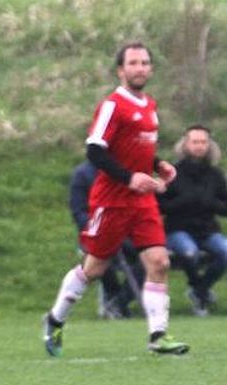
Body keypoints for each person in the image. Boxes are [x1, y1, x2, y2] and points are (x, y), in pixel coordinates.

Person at [42, 41, 189, 357]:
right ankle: (55, 319)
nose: (140, 68)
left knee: (160, 261)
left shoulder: (149, 105)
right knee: (94, 268)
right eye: (133, 63)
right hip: (111, 201)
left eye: (145, 63)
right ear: (121, 70)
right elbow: (95, 150)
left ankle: (158, 335)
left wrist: (158, 164)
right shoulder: (113, 105)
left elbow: (135, 149)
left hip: (142, 201)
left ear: (151, 69)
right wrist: (129, 178)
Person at [157, 124, 227, 316]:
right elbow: (159, 205)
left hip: (208, 231)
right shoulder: (172, 173)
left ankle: (199, 291)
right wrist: (182, 202)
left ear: (209, 145)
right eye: (195, 142)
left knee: (225, 252)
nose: (199, 146)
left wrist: (211, 203)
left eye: (203, 142)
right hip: (177, 230)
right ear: (185, 144)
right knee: (189, 253)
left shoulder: (215, 175)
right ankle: (199, 291)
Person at [70, 160, 145, 319]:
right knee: (100, 261)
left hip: (123, 233)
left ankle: (120, 302)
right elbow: (79, 212)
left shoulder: (124, 173)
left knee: (147, 258)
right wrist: (100, 228)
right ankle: (113, 294)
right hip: (94, 234)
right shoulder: (82, 174)